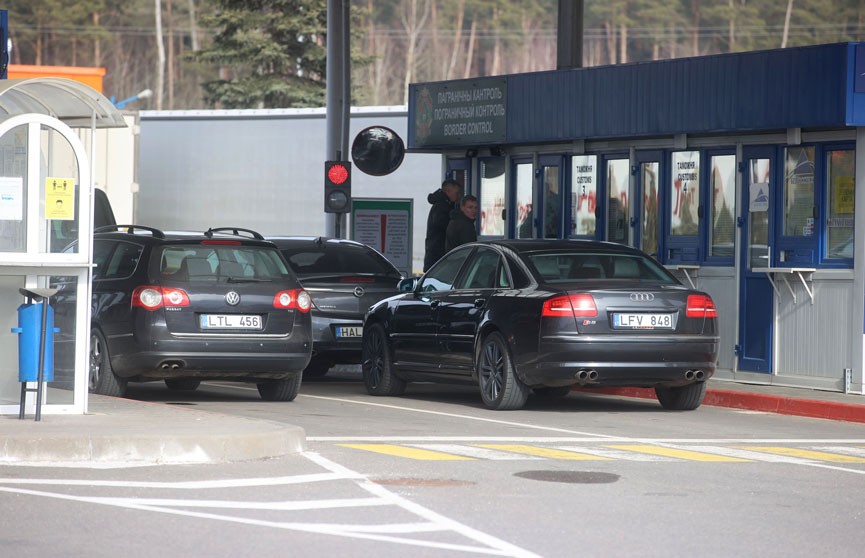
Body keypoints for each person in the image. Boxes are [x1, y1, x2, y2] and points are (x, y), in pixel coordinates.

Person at [423, 179, 462, 271]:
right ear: (448, 191)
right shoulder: (442, 206)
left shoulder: (443, 204)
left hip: (435, 254)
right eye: (456, 193)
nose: (458, 196)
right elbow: (441, 224)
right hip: (438, 254)